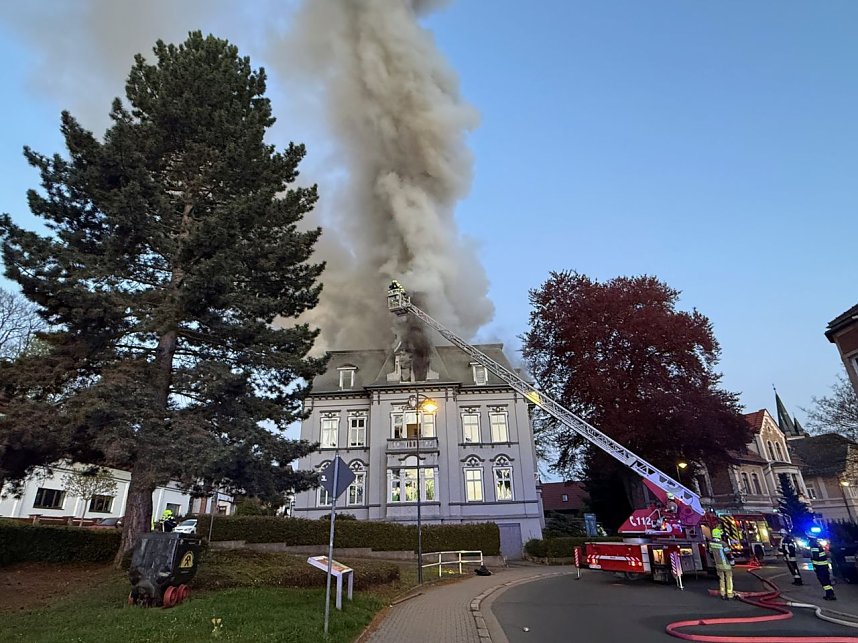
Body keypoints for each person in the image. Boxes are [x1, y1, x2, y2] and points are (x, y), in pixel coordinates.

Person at [808, 528, 836, 600]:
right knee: (827, 581)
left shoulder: (813, 545)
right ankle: (830, 594)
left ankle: (829, 595)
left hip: (820, 567)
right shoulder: (817, 544)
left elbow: (815, 556)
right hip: (824, 566)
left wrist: (812, 560)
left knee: (824, 581)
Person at [709, 528, 736, 600]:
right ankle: (730, 595)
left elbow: (711, 554)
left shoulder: (711, 544)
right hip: (726, 565)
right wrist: (732, 561)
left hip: (718, 565)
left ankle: (722, 594)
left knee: (721, 579)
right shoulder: (723, 544)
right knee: (729, 579)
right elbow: (728, 554)